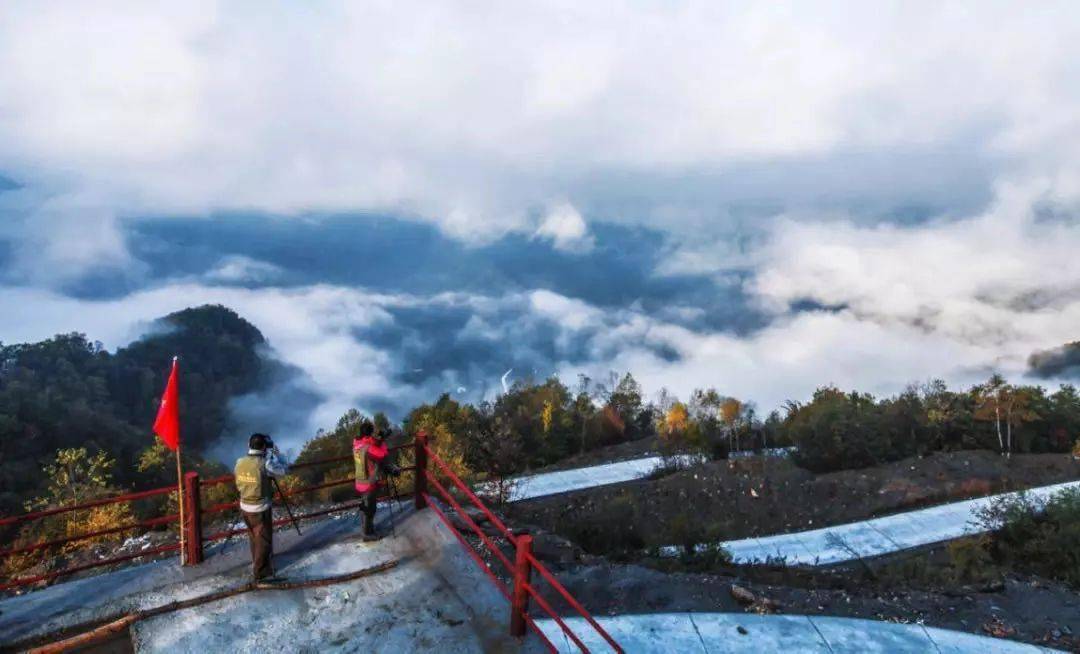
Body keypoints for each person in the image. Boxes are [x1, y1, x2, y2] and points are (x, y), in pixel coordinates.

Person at [234, 432, 288, 580]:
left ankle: (258, 562)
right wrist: (278, 455)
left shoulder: (239, 462)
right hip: (260, 507)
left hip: (244, 505)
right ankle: (261, 572)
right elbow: (283, 471)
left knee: (253, 536)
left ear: (249, 445)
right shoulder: (265, 463)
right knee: (263, 540)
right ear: (264, 447)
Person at [353, 422, 400, 541]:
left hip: (360, 481)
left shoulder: (357, 443)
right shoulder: (368, 448)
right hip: (368, 484)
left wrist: (377, 440)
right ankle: (368, 534)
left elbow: (369, 446)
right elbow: (382, 455)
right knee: (370, 509)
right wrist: (382, 441)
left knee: (365, 507)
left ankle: (367, 529)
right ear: (369, 434)